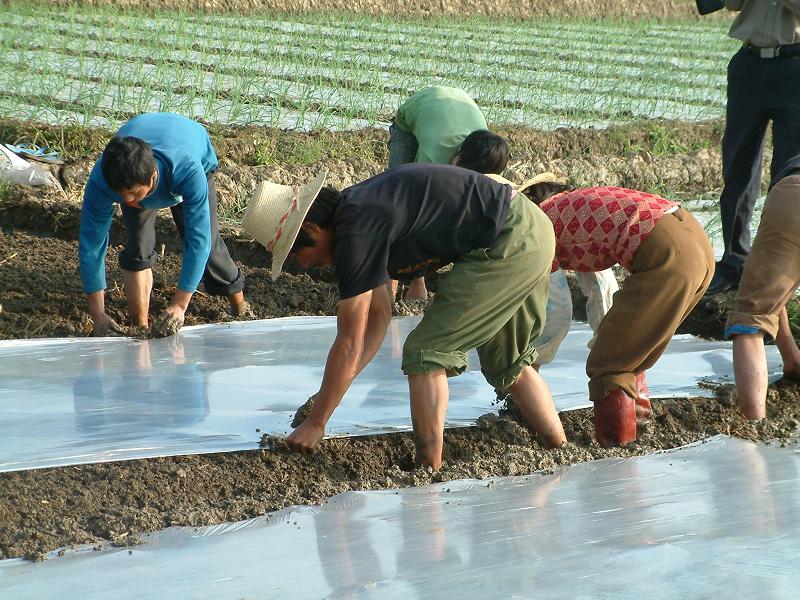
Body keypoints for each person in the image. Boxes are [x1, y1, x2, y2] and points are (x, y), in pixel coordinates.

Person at [243, 163, 566, 469]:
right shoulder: (361, 214)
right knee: (507, 359)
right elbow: (377, 320)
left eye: (297, 251)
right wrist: (329, 396)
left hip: (508, 239)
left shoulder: (355, 233)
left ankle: (429, 471)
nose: (302, 264)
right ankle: (559, 449)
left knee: (426, 352)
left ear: (312, 229)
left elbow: (350, 340)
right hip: (530, 229)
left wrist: (317, 421)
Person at [519, 174, 714, 447]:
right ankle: (637, 427)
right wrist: (614, 339)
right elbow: (602, 291)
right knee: (632, 350)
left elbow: (557, 308)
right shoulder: (575, 210)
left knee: (608, 365)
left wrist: (530, 367)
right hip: (696, 240)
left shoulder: (541, 224)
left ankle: (616, 451)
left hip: (668, 252)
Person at [79, 112, 248, 338]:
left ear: (150, 180)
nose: (127, 202)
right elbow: (91, 245)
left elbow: (199, 241)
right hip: (137, 159)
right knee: (138, 244)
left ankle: (240, 307)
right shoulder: (104, 179)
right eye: (121, 196)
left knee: (210, 246)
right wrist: (97, 314)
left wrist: (180, 305)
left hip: (191, 150)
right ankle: (140, 325)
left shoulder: (187, 169)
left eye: (133, 194)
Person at [706, 0, 800, 295]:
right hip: (749, 63)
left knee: (787, 176)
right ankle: (734, 262)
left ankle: (776, 268)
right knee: (737, 168)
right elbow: (732, 4)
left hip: (795, 67)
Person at [388, 86, 507, 301]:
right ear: (458, 156)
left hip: (457, 105)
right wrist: (418, 281)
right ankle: (390, 282)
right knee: (394, 199)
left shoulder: (490, 160)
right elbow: (415, 214)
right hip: (420, 109)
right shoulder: (433, 157)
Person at [724, 174, 800, 419]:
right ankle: (793, 361)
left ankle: (755, 422)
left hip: (791, 195)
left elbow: (770, 297)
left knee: (753, 315)